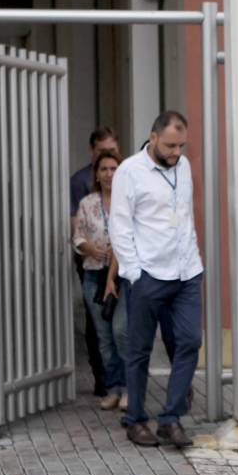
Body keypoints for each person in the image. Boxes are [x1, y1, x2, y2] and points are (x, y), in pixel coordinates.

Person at [109, 111, 203, 448]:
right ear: (152, 138)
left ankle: (170, 418)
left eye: (181, 145)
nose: (176, 152)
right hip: (149, 274)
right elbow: (120, 226)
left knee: (190, 341)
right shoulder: (129, 172)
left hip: (187, 271)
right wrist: (135, 274)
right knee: (139, 350)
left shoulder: (184, 165)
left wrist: (192, 258)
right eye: (169, 145)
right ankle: (135, 419)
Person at [73, 149, 128, 410]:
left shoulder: (127, 201)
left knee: (122, 332)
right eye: (104, 169)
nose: (108, 174)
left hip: (121, 277)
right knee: (104, 337)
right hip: (94, 274)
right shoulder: (87, 203)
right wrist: (91, 249)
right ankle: (113, 388)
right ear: (96, 173)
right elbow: (78, 238)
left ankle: (130, 388)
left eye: (113, 169)